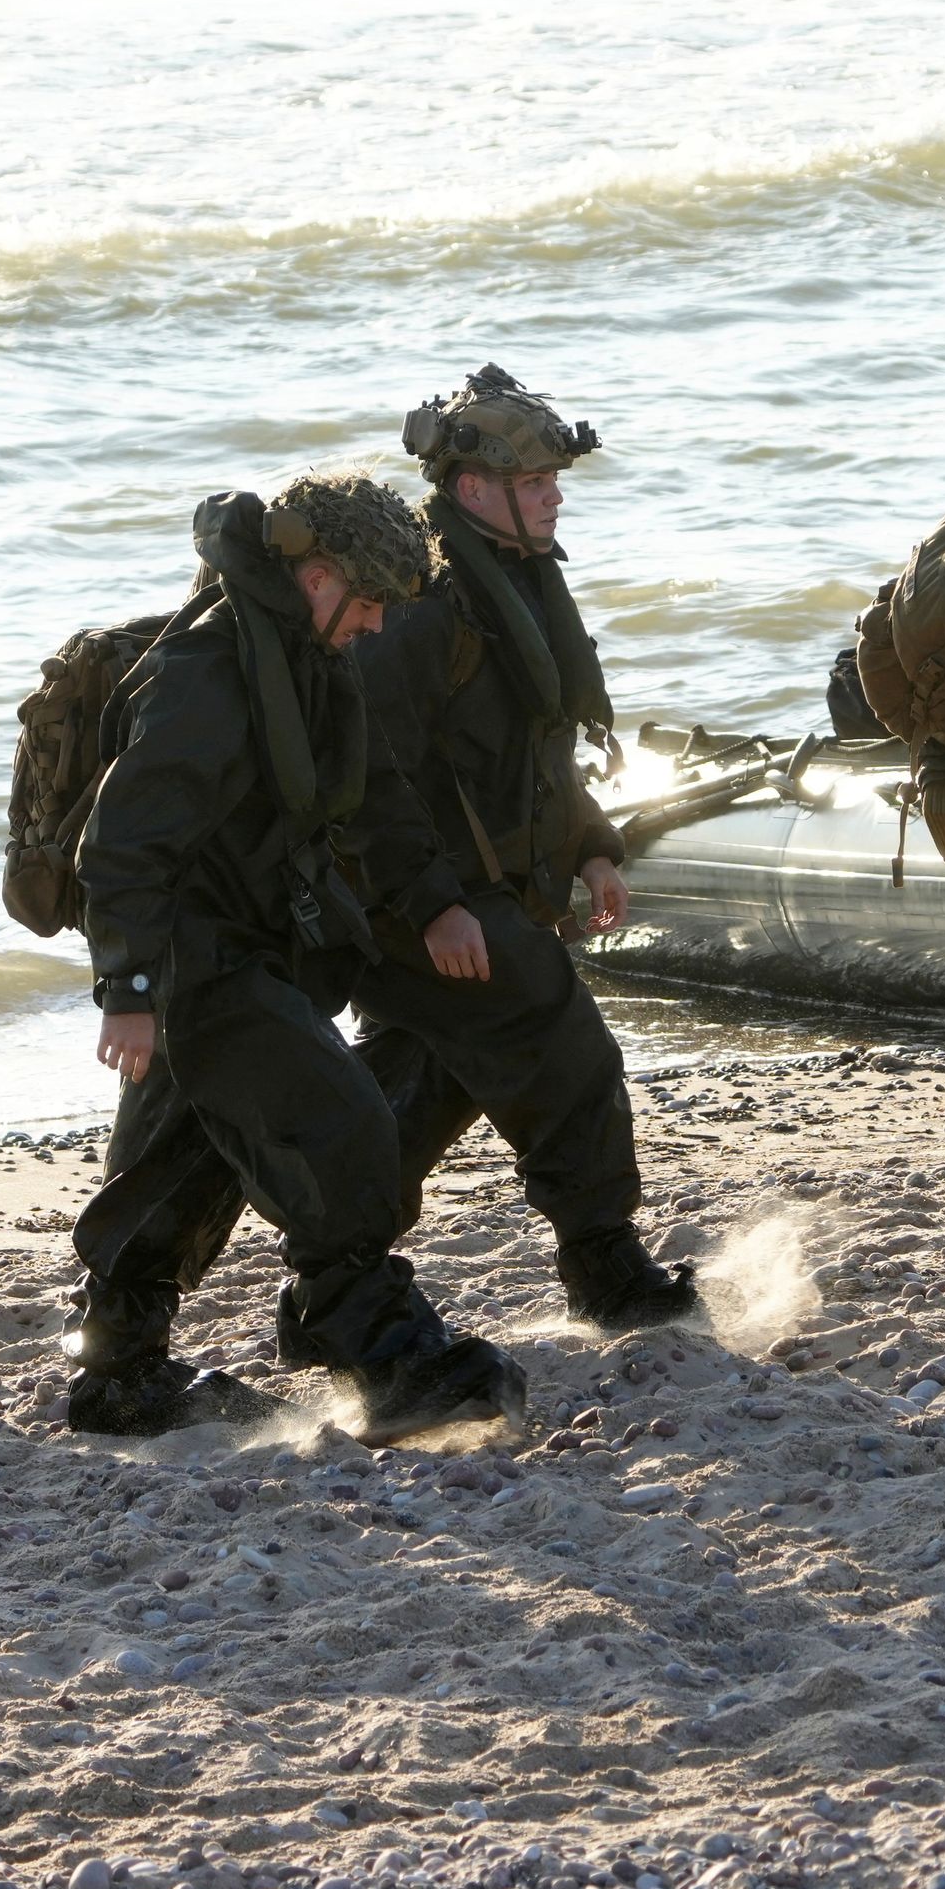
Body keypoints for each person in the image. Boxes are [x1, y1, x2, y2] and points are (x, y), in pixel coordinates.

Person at [61, 473, 530, 1442]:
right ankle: (386, 1358)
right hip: (197, 957)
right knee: (340, 1128)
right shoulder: (205, 670)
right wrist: (132, 990)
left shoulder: (303, 659)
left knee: (173, 1167)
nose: (371, 629)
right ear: (315, 578)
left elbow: (370, 798)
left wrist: (431, 900)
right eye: (365, 606)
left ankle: (118, 1374)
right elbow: (121, 844)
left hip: (257, 940)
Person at [351, 369, 703, 1331]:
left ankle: (334, 1283)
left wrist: (591, 846)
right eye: (538, 479)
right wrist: (431, 905)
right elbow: (369, 779)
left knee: (420, 1089)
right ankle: (606, 1268)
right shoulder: (420, 604)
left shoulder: (514, 577)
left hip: (481, 887)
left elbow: (535, 751)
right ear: (473, 491)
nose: (555, 493)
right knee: (563, 1045)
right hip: (422, 897)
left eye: (555, 477)